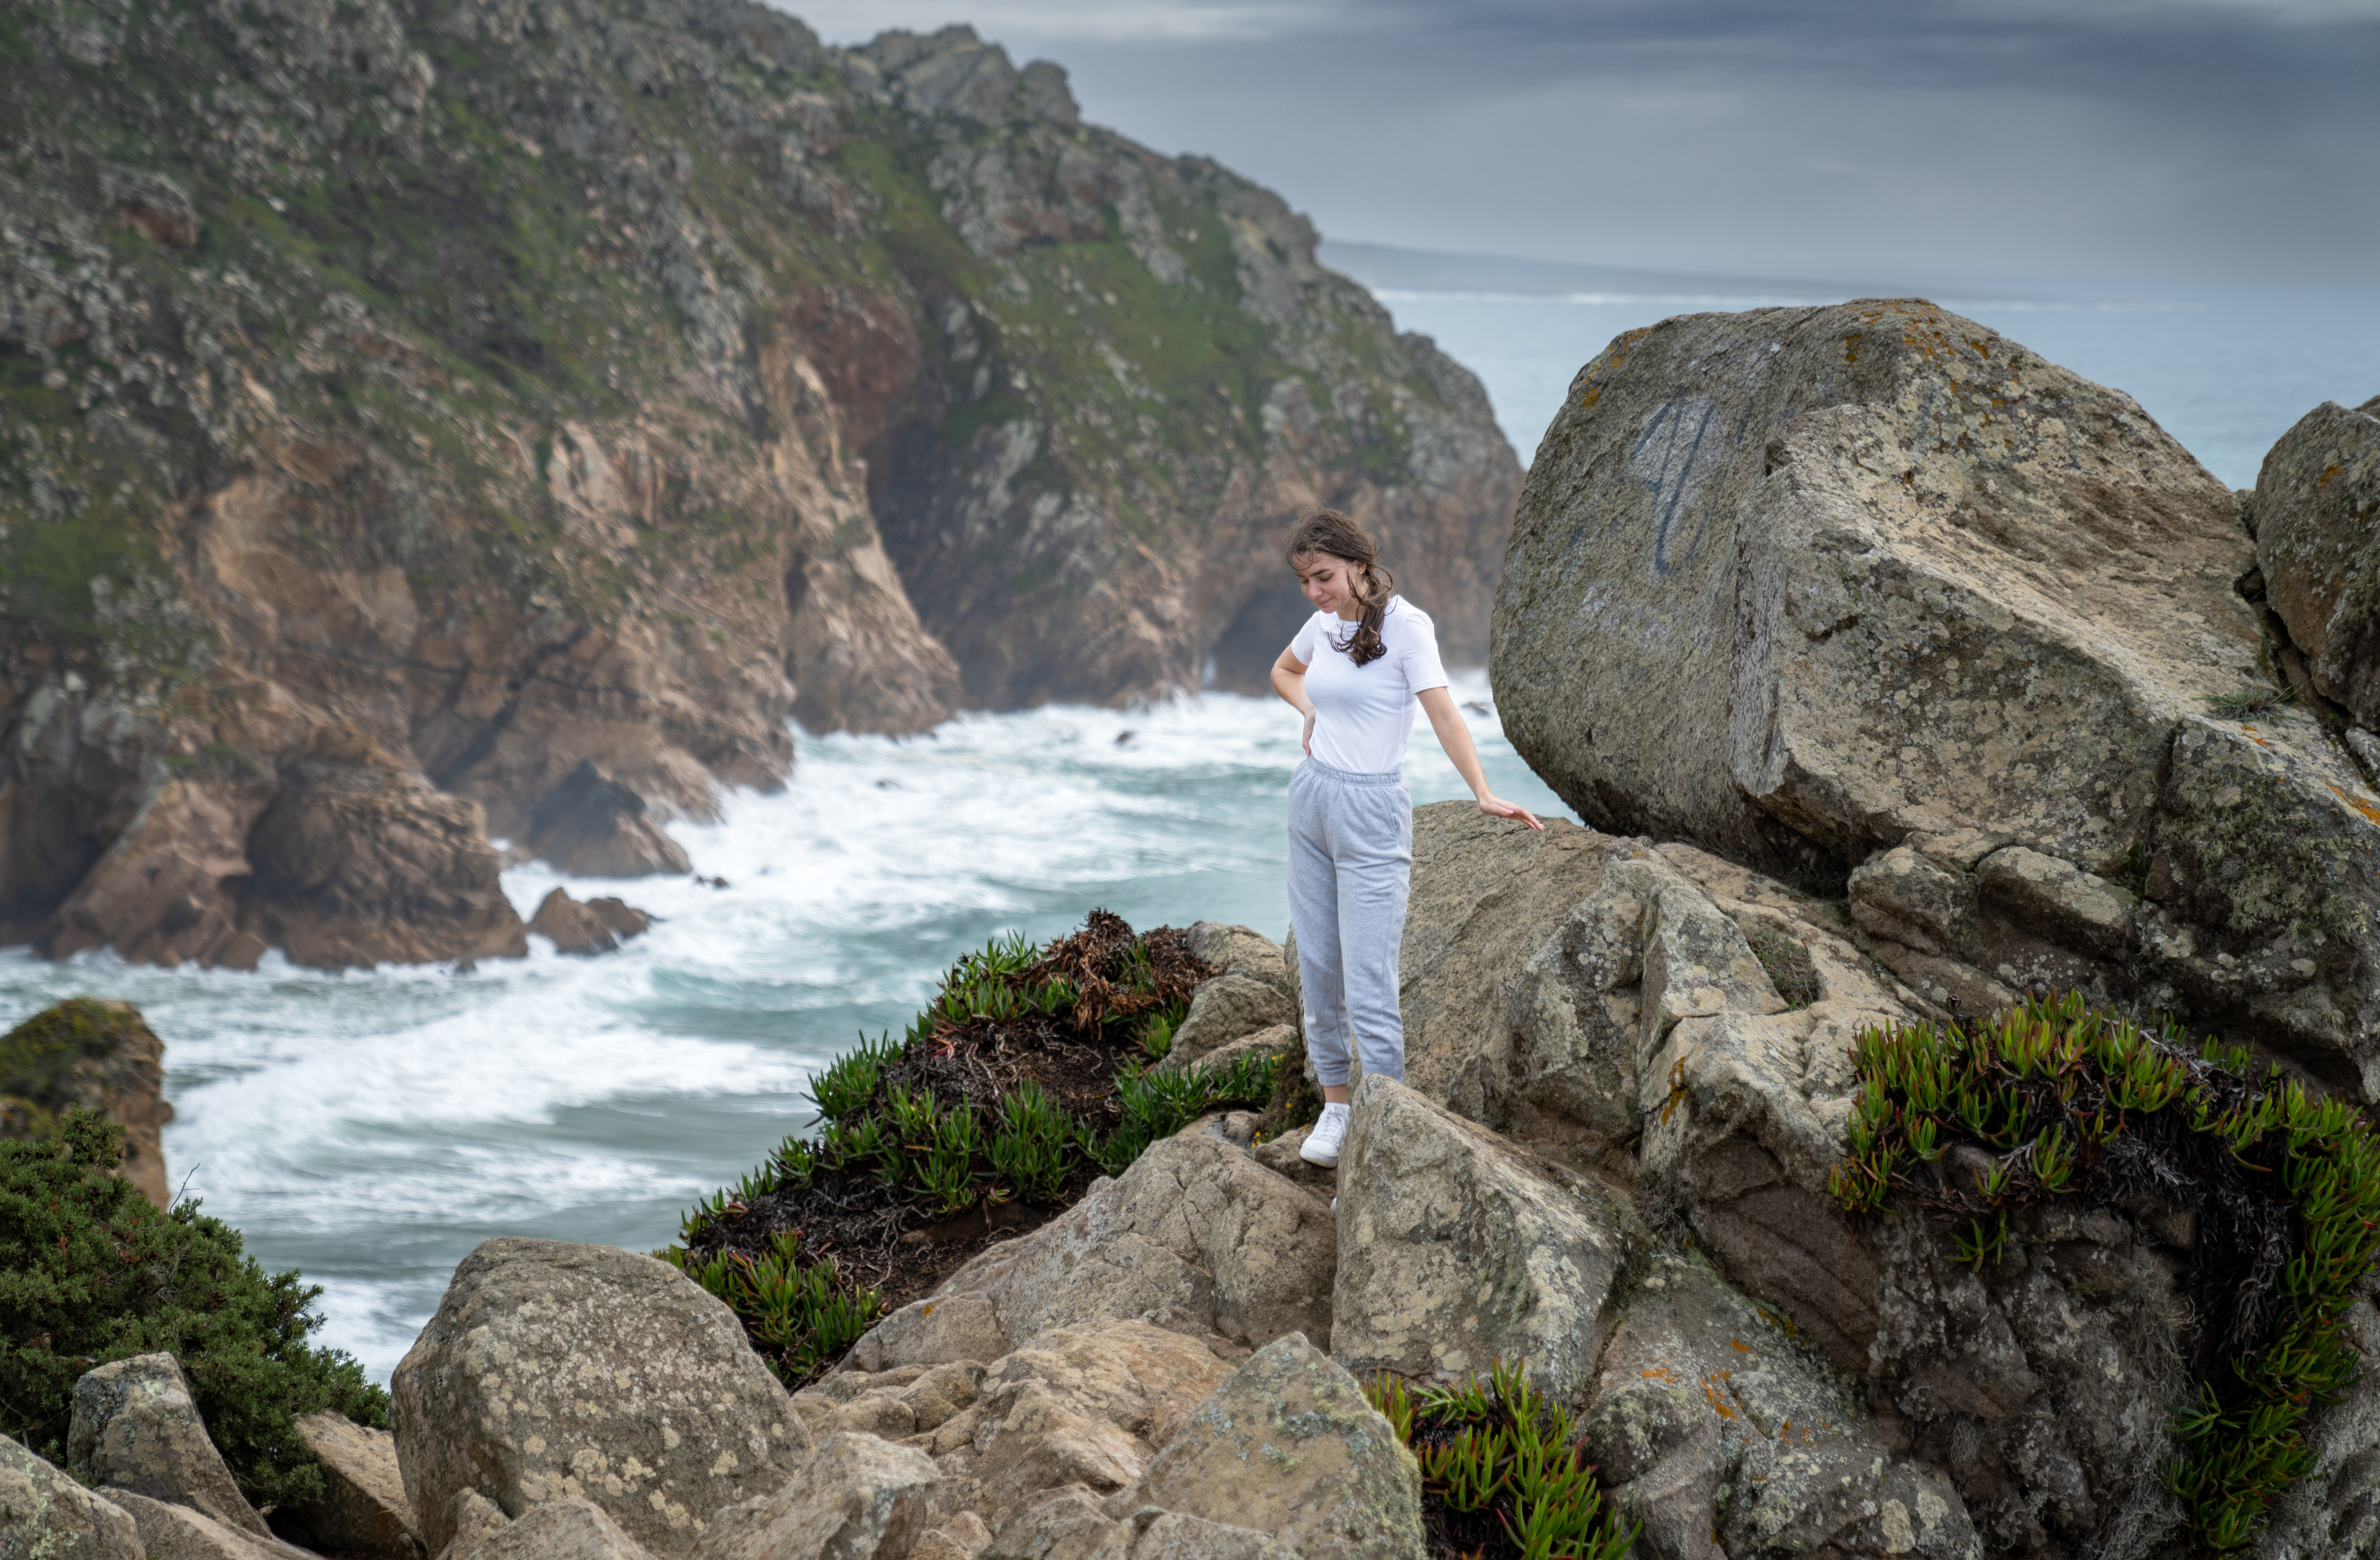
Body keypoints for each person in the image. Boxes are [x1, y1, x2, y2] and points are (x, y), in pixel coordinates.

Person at [1269, 509, 1543, 1170]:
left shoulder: (1407, 627)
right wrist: (1309, 709)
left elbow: (1442, 710)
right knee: (1320, 970)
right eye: (1305, 580)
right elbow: (1283, 671)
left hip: (1371, 812)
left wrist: (1481, 790)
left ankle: (1380, 1126)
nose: (1314, 592)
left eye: (1324, 577)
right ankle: (1336, 1109)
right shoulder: (1322, 625)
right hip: (1311, 801)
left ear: (1359, 565)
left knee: (1368, 983)